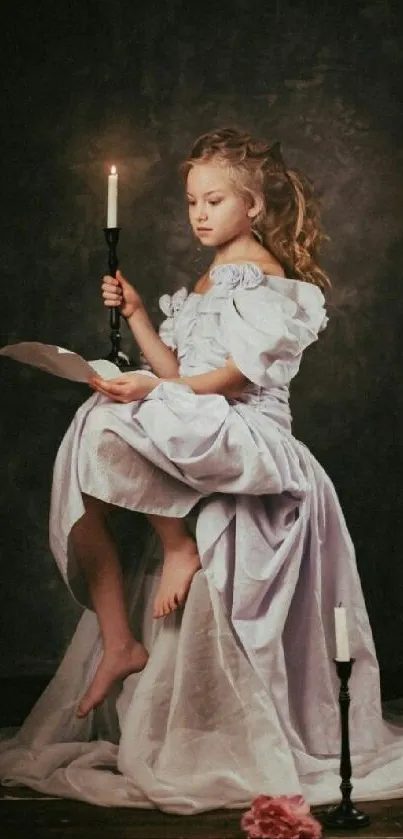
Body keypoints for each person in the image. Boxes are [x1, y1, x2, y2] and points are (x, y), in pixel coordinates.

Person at [51, 127, 331, 719]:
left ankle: (178, 544)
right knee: (94, 424)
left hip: (247, 428)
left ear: (251, 206)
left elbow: (236, 379)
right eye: (192, 202)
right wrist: (139, 316)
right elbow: (177, 370)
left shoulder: (265, 275)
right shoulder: (209, 277)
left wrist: (158, 389)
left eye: (215, 201)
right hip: (196, 412)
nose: (199, 215)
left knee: (120, 416)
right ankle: (120, 643)